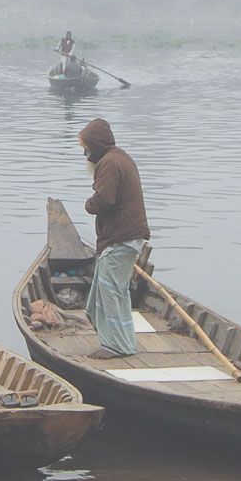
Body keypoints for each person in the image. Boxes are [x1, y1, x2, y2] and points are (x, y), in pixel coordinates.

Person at [78, 118, 151, 359]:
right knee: (110, 289)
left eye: (86, 147)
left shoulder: (108, 163)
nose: (85, 153)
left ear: (95, 146)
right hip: (126, 236)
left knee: (112, 291)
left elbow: (104, 199)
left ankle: (117, 346)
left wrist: (88, 205)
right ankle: (119, 340)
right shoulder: (120, 157)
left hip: (122, 237)